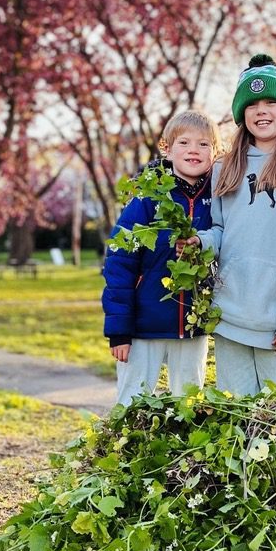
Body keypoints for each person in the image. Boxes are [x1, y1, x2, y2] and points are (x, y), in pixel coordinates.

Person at [185, 54, 276, 395]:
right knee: (237, 420)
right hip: (229, 315)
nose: (262, 110)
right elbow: (220, 231)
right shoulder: (223, 168)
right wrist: (201, 242)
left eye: (272, 102)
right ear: (241, 113)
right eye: (253, 103)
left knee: (274, 425)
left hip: (275, 320)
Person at [102, 109, 218, 405]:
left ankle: (184, 453)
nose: (194, 149)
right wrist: (119, 330)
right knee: (132, 403)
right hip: (144, 325)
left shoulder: (220, 197)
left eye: (204, 144)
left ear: (216, 152)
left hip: (192, 326)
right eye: (184, 143)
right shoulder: (146, 199)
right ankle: (126, 450)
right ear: (166, 149)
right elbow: (119, 263)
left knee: (188, 404)